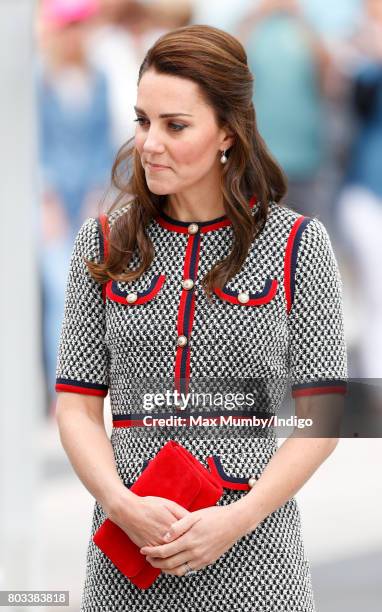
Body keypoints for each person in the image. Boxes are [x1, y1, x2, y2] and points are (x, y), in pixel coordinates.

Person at [55, 24, 348, 612]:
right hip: (128, 561)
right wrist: (120, 504)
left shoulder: (298, 243)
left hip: (257, 561)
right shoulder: (106, 242)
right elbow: (77, 407)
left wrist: (236, 520)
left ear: (228, 135)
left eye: (175, 125)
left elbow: (326, 416)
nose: (149, 143)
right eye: (143, 121)